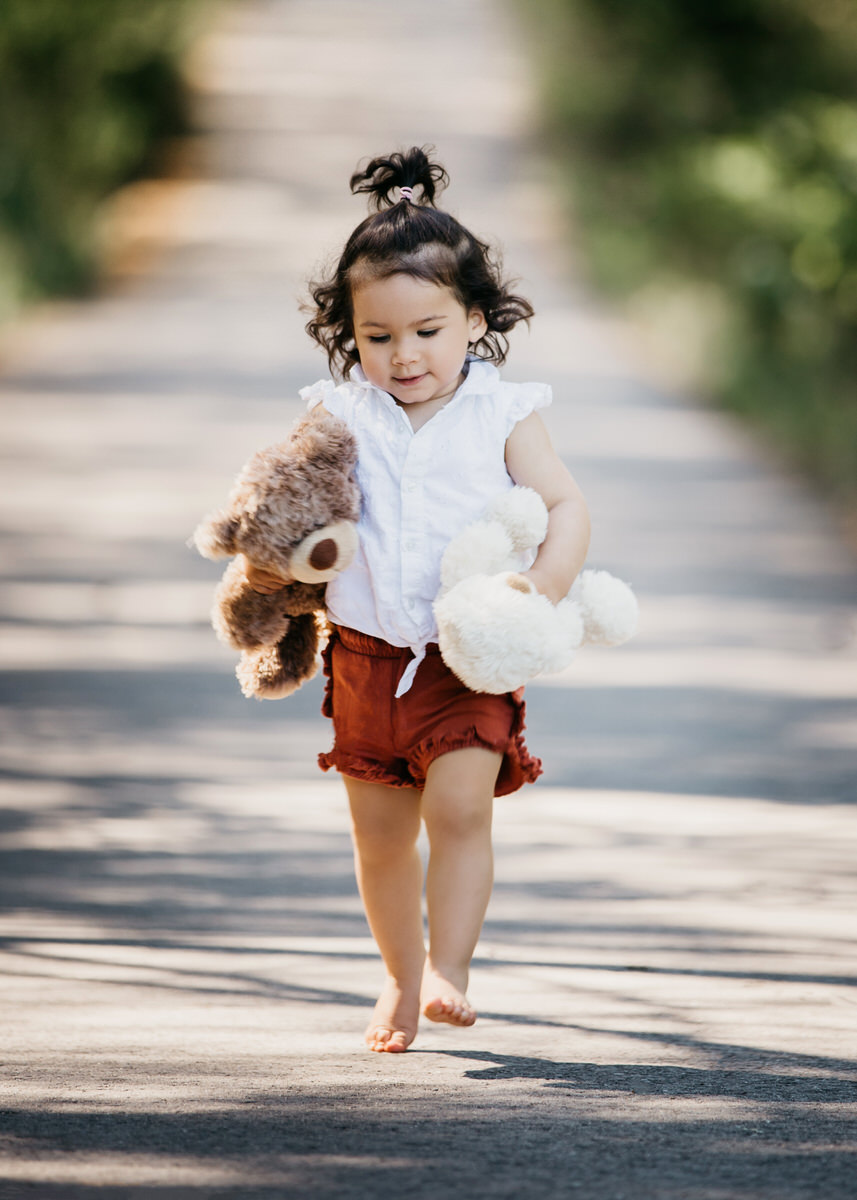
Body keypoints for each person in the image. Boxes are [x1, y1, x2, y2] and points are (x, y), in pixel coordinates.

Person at [246, 147, 591, 1053]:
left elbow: (565, 504)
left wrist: (542, 588)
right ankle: (398, 979)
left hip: (465, 655)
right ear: (349, 335)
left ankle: (450, 968)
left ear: (474, 319)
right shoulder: (339, 413)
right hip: (364, 659)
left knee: (460, 811)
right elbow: (283, 504)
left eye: (428, 331)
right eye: (378, 336)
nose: (404, 356)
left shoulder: (502, 414)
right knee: (381, 839)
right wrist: (273, 566)